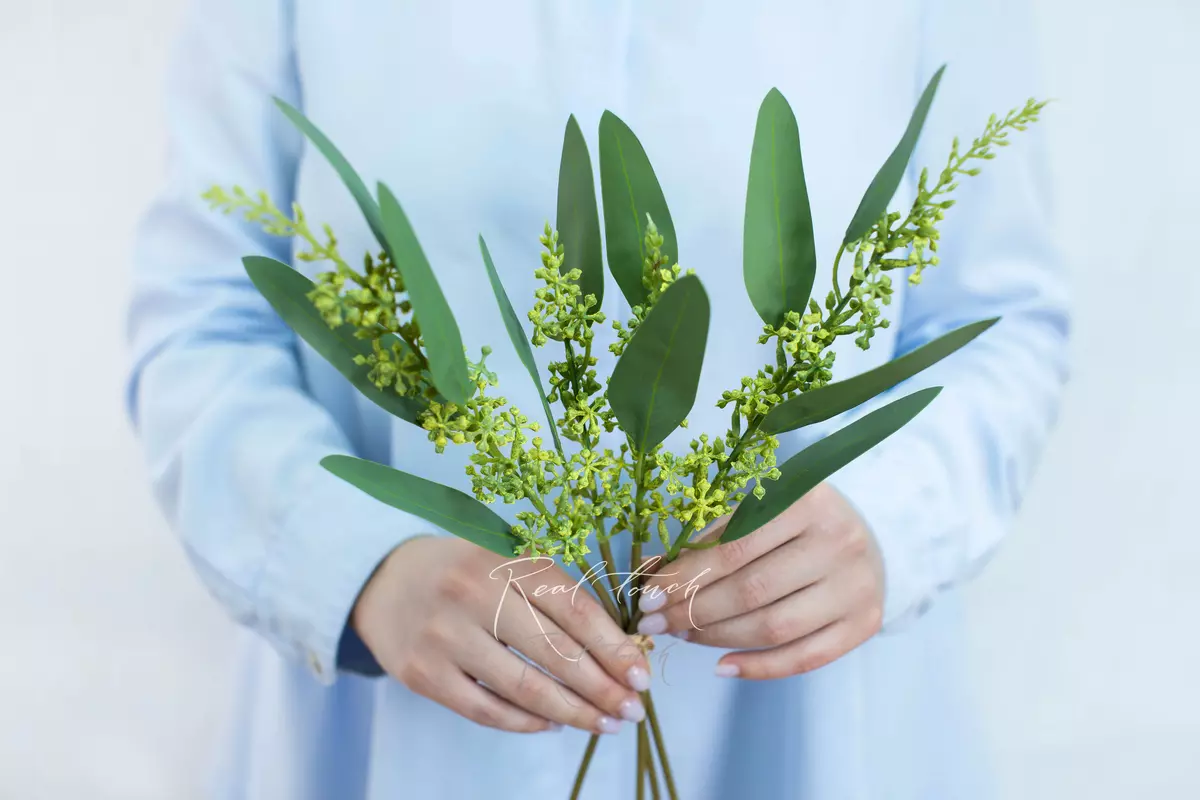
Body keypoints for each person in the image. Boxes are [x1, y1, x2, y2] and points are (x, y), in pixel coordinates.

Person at [126, 1, 1069, 797]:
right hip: (404, 725)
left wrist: (892, 518)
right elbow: (206, 318)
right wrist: (360, 565)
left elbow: (999, 317)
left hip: (815, 715)